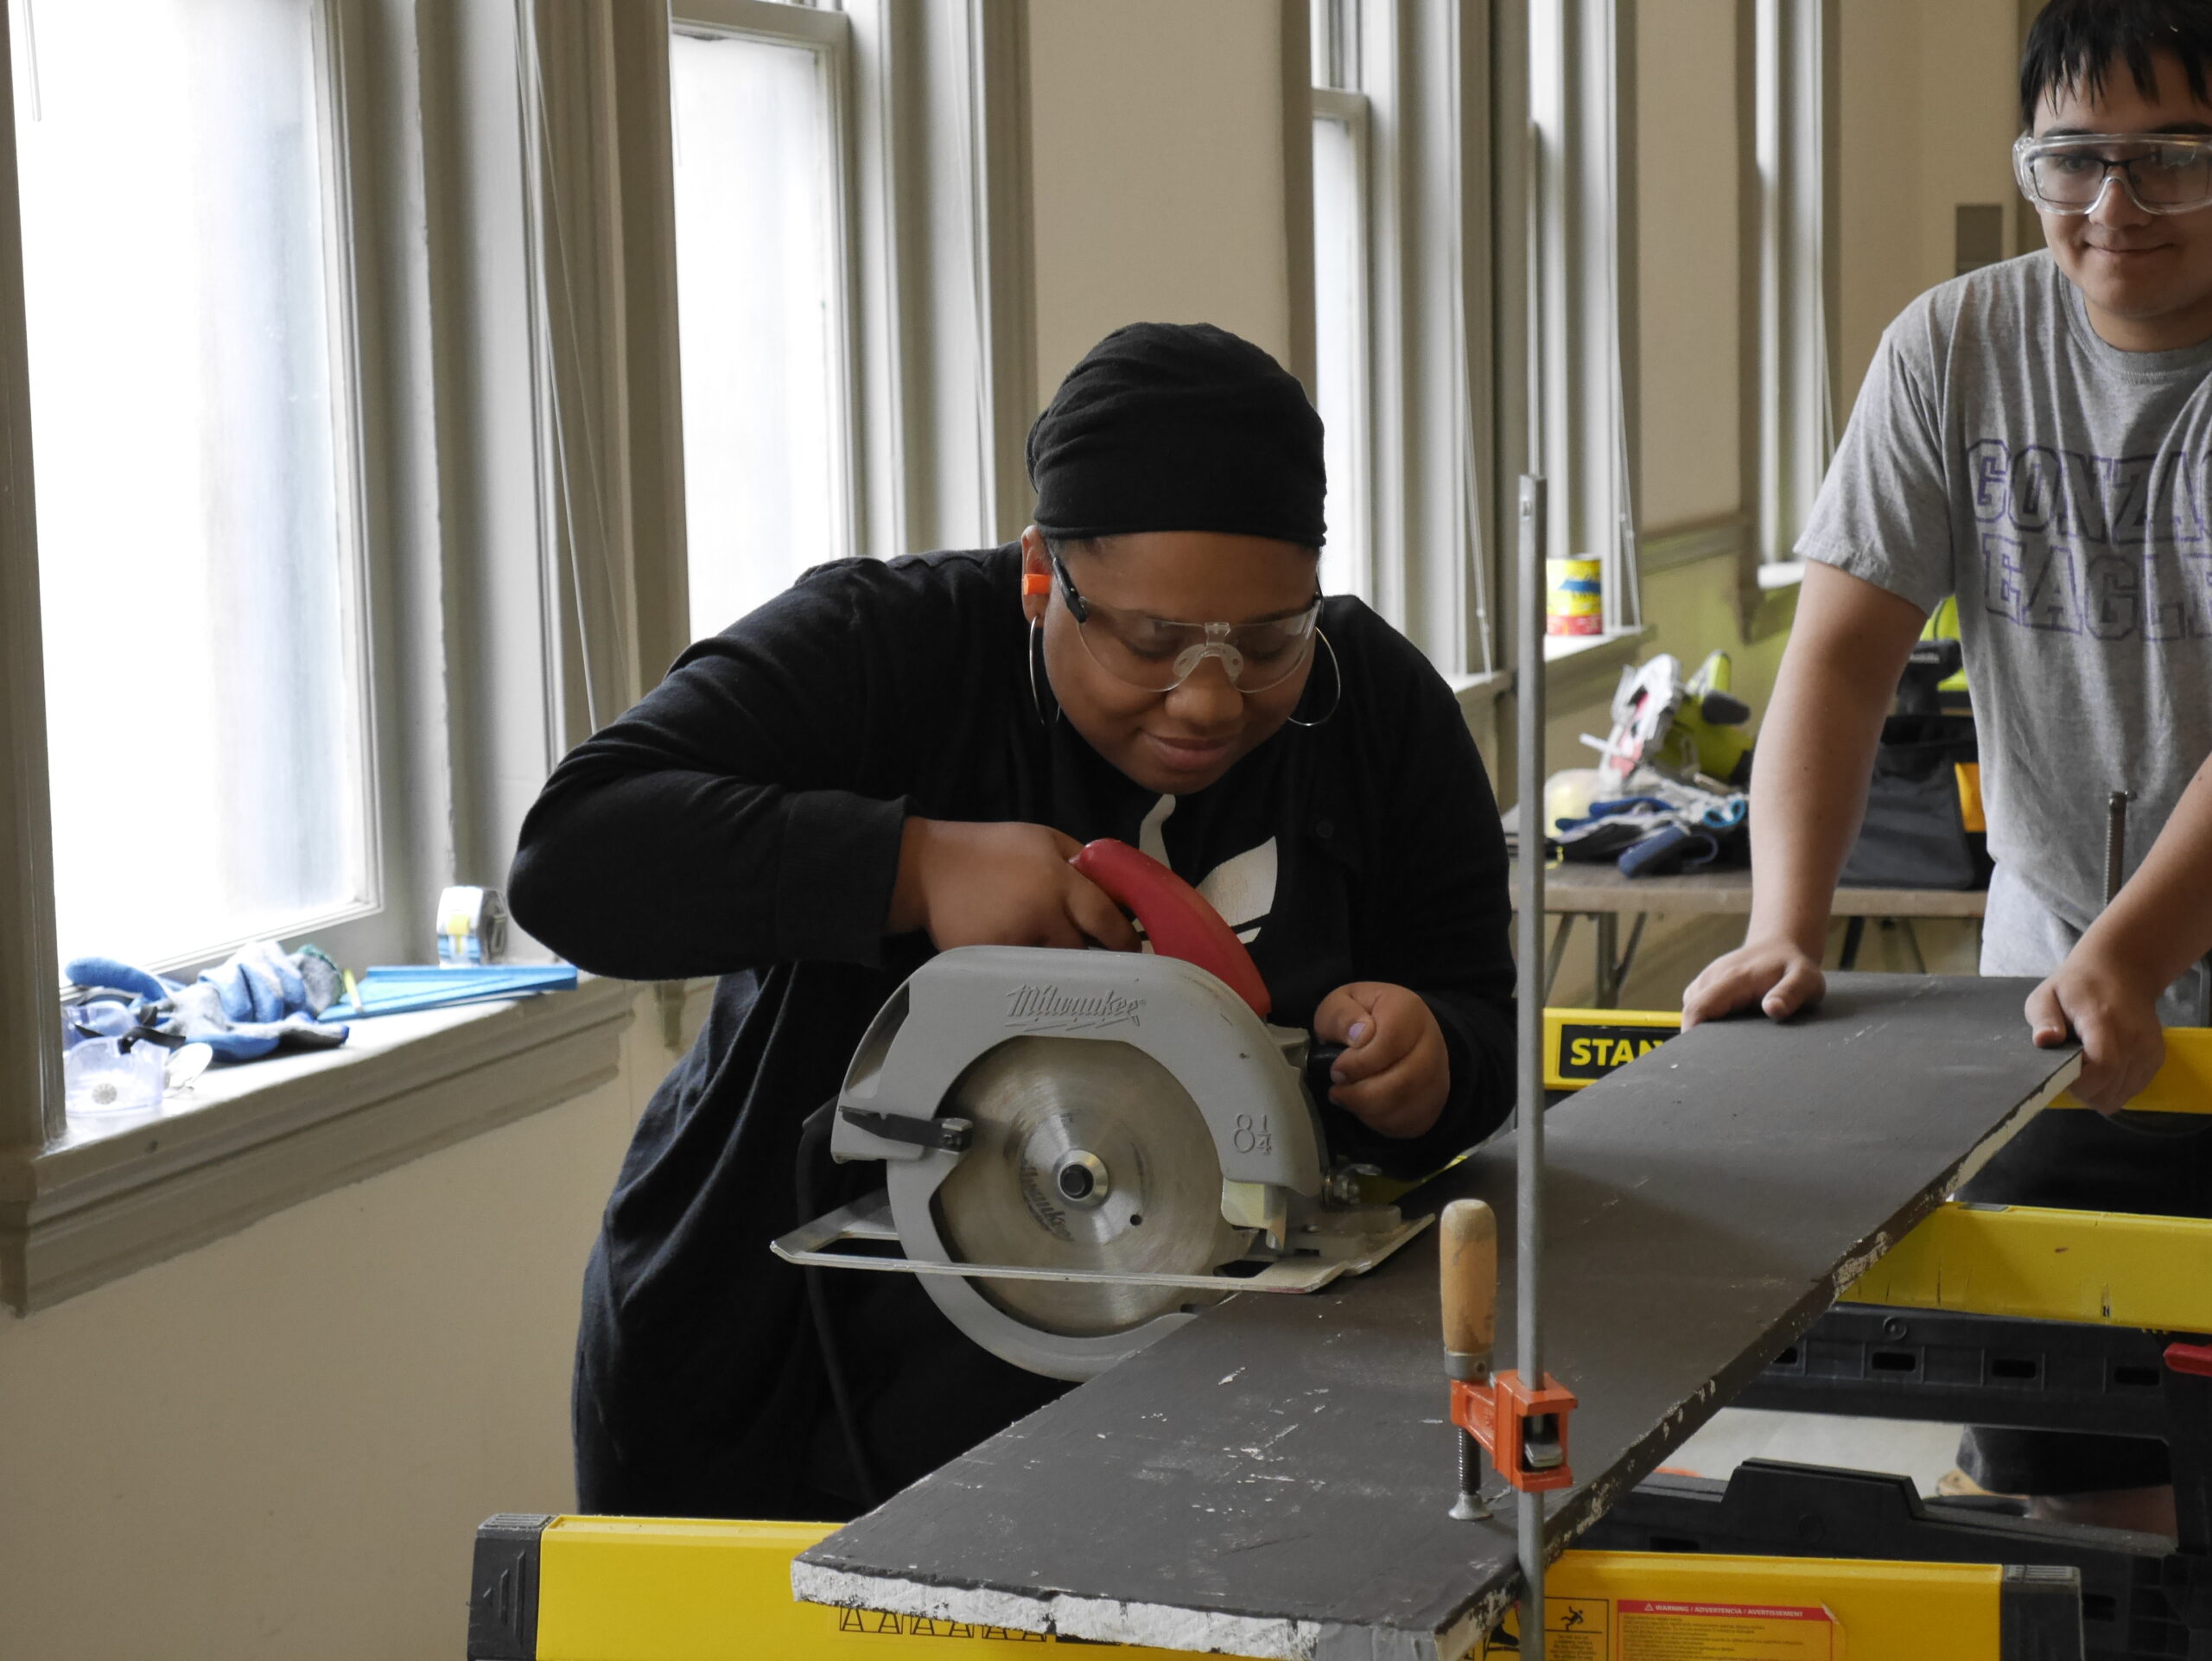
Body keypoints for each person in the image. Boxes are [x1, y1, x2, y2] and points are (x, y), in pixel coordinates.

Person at [508, 321, 1517, 1522]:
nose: (1208, 696)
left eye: (1267, 643)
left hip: (1221, 1419)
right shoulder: (888, 651)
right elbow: (572, 855)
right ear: (1043, 572)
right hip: (791, 1389)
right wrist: (909, 864)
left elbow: (1476, 1015)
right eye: (1150, 640)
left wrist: (1431, 1058)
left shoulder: (1374, 711)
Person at [1684, 0, 2212, 1532]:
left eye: (2171, 161)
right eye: (2074, 160)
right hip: (2046, 991)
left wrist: (2135, 946)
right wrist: (1786, 918)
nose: (2113, 210)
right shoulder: (1957, 345)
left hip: (2123, 960)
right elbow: (1841, 661)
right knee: (2070, 1479)